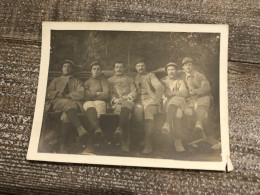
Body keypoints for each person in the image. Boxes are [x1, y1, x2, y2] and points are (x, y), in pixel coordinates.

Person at [45, 60, 88, 153]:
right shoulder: (56, 80)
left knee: (66, 115)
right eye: (65, 66)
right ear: (62, 69)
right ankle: (79, 127)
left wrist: (68, 96)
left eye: (69, 67)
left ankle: (62, 145)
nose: (67, 68)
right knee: (69, 105)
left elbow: (81, 94)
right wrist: (57, 93)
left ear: (72, 69)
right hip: (57, 102)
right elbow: (48, 92)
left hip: (72, 102)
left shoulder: (77, 81)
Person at [181, 57, 221, 149]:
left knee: (203, 111)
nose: (188, 67)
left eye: (190, 65)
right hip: (189, 100)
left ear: (193, 66)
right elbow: (169, 71)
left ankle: (207, 134)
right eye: (186, 65)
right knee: (185, 111)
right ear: (183, 67)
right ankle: (188, 138)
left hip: (201, 96)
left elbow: (206, 88)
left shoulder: (199, 75)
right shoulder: (181, 75)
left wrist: (196, 91)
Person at [133, 58, 164, 154]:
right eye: (138, 66)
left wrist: (156, 100)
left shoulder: (150, 75)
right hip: (138, 101)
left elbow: (160, 87)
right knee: (137, 115)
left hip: (150, 100)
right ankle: (143, 138)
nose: (140, 67)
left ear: (145, 67)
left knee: (148, 113)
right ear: (135, 68)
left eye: (142, 65)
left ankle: (148, 144)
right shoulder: (134, 77)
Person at [108, 61, 137, 152]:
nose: (119, 69)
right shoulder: (109, 80)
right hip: (116, 103)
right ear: (114, 69)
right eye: (117, 67)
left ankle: (124, 142)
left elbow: (134, 91)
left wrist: (128, 97)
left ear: (124, 69)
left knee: (126, 112)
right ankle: (121, 140)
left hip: (128, 102)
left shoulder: (129, 79)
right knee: (125, 115)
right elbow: (108, 93)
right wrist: (114, 100)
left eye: (121, 67)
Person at [160, 62, 188, 152]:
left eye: (173, 69)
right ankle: (178, 141)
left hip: (179, 102)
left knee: (176, 101)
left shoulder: (180, 81)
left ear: (176, 71)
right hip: (167, 103)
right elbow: (161, 93)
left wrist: (172, 94)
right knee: (178, 113)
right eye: (169, 70)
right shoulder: (162, 81)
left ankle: (167, 124)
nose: (171, 71)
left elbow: (184, 93)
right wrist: (167, 95)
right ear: (166, 71)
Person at [83, 61, 109, 146]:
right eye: (94, 69)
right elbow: (85, 96)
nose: (96, 71)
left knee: (98, 111)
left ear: (101, 71)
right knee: (90, 109)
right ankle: (97, 133)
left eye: (98, 69)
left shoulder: (104, 81)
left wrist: (92, 95)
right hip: (88, 102)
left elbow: (106, 95)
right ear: (91, 70)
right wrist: (97, 93)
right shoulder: (87, 82)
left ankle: (91, 143)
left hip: (100, 101)